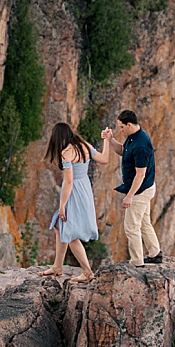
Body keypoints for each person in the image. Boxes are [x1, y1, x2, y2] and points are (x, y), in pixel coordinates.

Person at [45, 120, 113, 280]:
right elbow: (104, 159)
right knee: (59, 225)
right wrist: (106, 141)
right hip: (85, 189)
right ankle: (57, 267)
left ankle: (87, 271)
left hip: (74, 191)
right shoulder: (84, 145)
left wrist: (62, 205)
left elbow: (69, 181)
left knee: (69, 231)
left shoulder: (66, 152)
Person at [115, 109, 162, 265]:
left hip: (140, 190)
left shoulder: (141, 144)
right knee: (143, 222)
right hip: (145, 188)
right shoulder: (133, 137)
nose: (120, 130)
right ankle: (155, 253)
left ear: (129, 125)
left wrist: (129, 196)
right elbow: (123, 151)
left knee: (131, 227)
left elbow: (140, 175)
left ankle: (137, 261)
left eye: (122, 127)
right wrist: (109, 140)